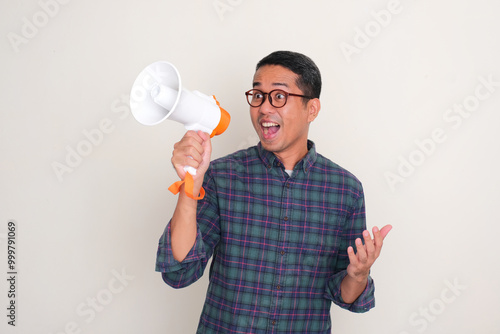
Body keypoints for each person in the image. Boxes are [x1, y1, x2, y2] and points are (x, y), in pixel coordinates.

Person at [155, 50, 392, 333]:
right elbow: (179, 272)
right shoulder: (221, 176)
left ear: (312, 109)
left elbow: (346, 295)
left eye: (279, 96)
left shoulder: (345, 190)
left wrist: (358, 274)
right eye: (257, 95)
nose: (264, 108)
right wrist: (189, 182)